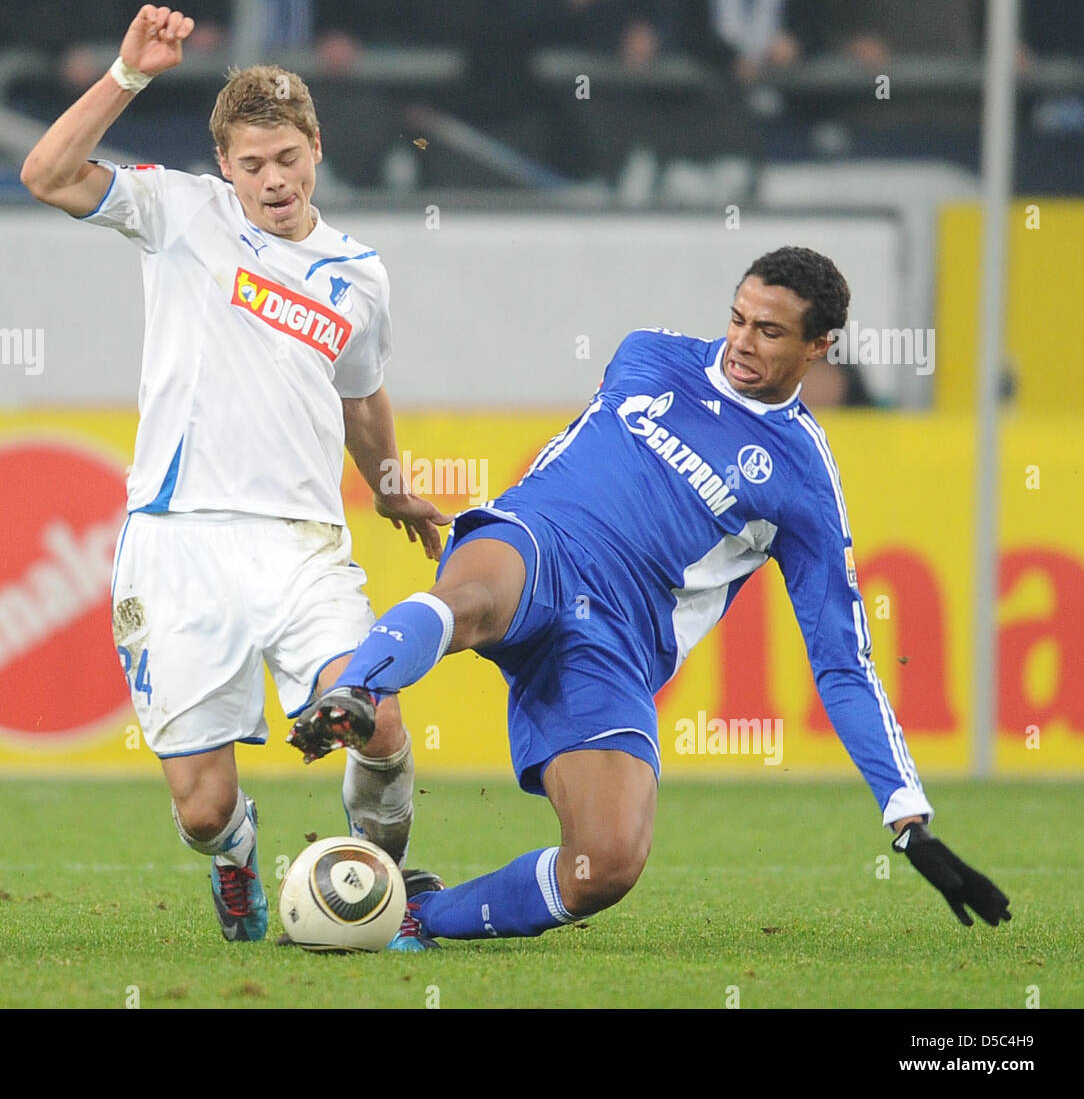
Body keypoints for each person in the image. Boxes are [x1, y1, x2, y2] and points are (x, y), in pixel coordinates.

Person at [290, 246, 1011, 944]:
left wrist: (906, 814)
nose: (743, 341)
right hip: (541, 542)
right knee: (471, 599)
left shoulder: (803, 482)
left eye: (769, 331)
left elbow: (843, 664)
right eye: (737, 317)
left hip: (611, 647)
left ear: (818, 346)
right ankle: (356, 693)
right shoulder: (649, 354)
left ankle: (414, 916)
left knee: (604, 864)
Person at [20, 5, 450, 949]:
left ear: (316, 150)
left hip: (301, 545)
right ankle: (237, 865)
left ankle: (382, 884)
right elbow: (46, 174)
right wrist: (128, 75)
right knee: (204, 809)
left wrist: (388, 484)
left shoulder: (358, 274)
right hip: (177, 544)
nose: (273, 181)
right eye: (251, 165)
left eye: (287, 159)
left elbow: (361, 397)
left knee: (372, 719)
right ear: (224, 166)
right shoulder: (180, 211)